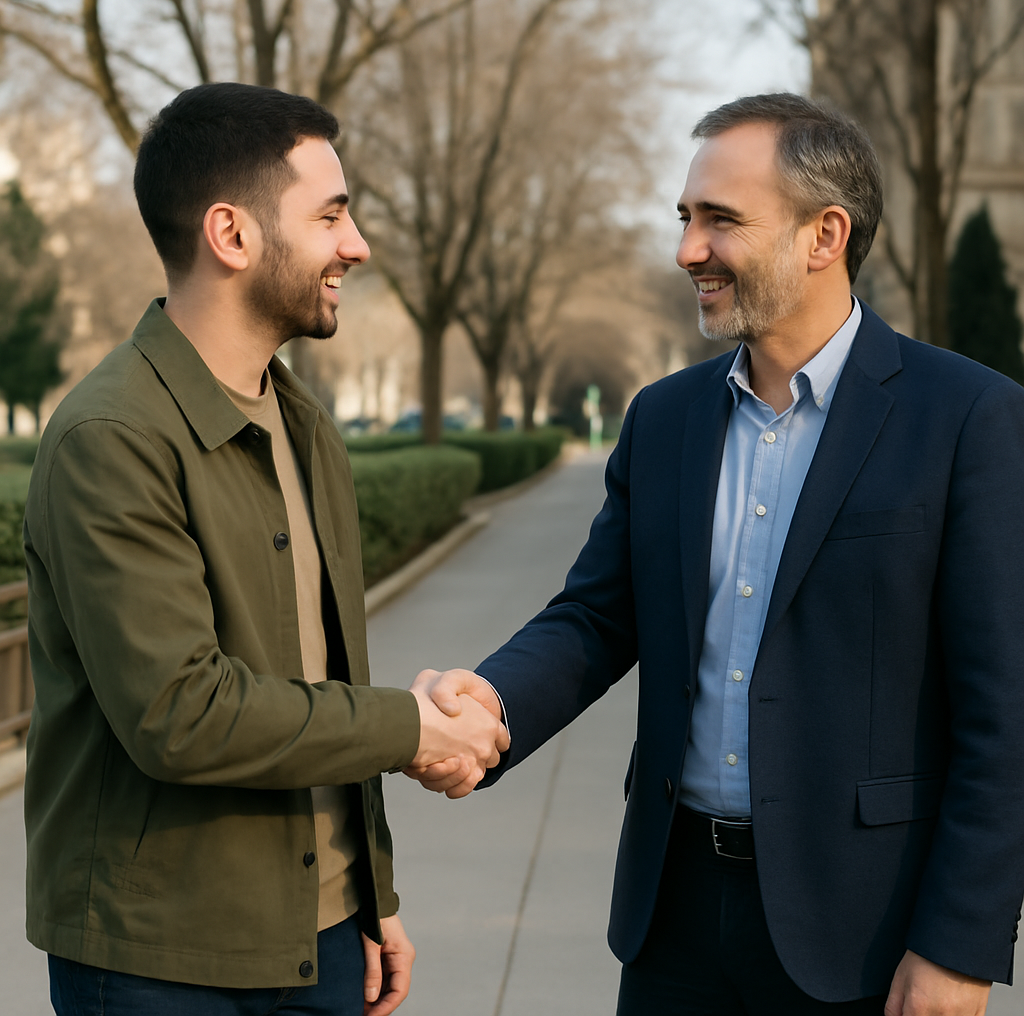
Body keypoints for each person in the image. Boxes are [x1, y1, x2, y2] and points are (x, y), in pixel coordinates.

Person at [405, 93, 1024, 1014]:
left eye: (720, 220)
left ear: (825, 235)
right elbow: (596, 615)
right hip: (674, 918)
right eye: (686, 218)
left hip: (866, 934)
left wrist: (959, 945)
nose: (688, 249)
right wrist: (488, 704)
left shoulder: (967, 417)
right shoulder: (664, 418)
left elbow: (1005, 712)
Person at [23, 82, 508, 1016]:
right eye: (330, 214)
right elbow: (180, 711)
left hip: (322, 942)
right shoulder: (111, 436)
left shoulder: (304, 424)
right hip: (160, 962)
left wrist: (373, 894)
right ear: (231, 235)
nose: (356, 245)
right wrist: (411, 730)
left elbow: (316, 673)